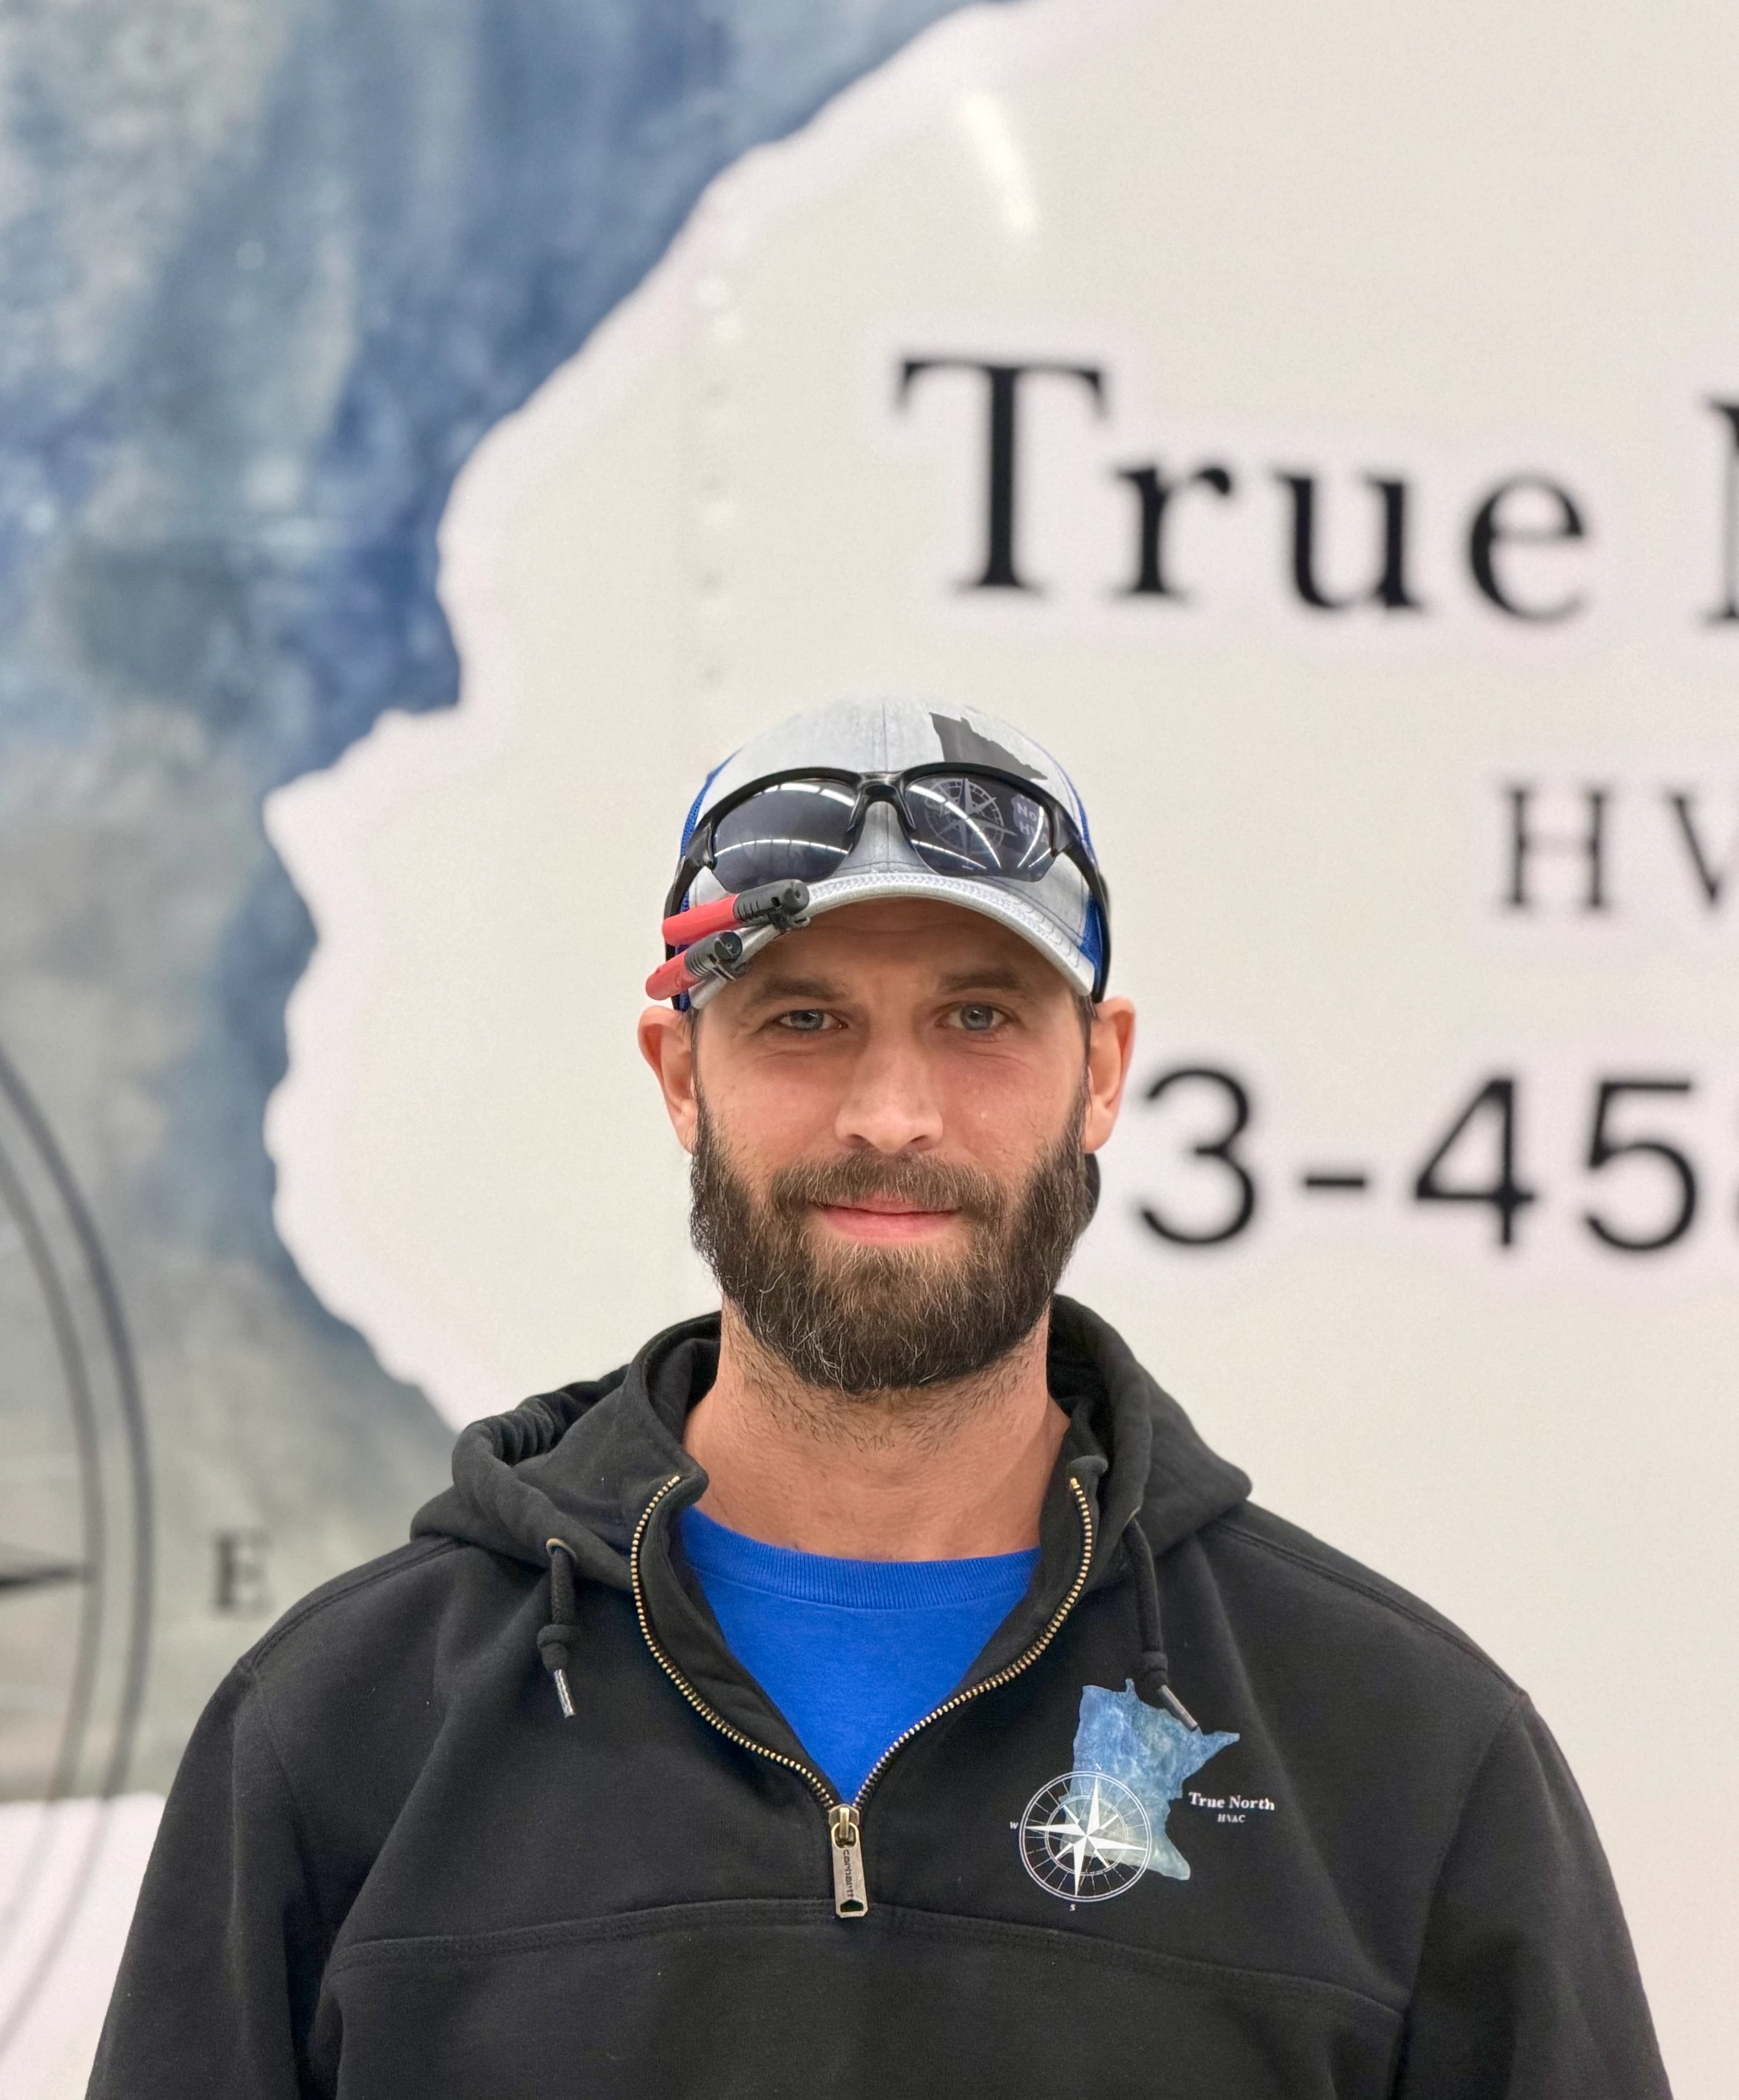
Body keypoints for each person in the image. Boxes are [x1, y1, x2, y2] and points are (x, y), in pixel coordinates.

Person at [91, 698, 1669, 2098]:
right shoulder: (345, 1732)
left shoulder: (1397, 1753)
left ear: (1100, 1071)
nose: (894, 1113)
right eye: (803, 1019)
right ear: (679, 1075)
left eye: (978, 1018)